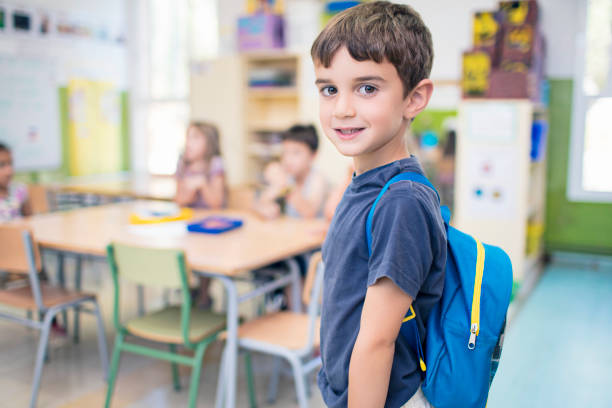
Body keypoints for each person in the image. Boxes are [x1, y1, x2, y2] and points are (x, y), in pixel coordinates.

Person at [311, 3, 447, 407]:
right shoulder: (361, 181)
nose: (342, 108)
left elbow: (376, 342)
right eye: (329, 88)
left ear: (414, 98)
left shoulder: (400, 202)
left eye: (367, 88)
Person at [174, 122, 227, 308]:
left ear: (209, 143)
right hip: (188, 224)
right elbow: (180, 201)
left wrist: (202, 184)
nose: (189, 142)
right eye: (188, 137)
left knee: (207, 252)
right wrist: (189, 190)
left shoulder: (215, 164)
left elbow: (216, 203)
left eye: (195, 138)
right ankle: (190, 291)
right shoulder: (183, 163)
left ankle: (204, 296)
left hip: (211, 225)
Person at [253, 124, 328, 220]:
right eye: (285, 152)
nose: (288, 159)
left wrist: (286, 186)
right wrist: (266, 207)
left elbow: (309, 213)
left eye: (296, 153)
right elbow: (259, 203)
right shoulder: (288, 176)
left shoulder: (317, 178)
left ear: (313, 155)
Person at [0, 142, 31, 222]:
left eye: (10, 163)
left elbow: (31, 221)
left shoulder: (20, 190)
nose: (9, 171)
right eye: (2, 165)